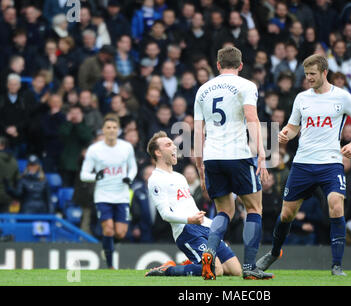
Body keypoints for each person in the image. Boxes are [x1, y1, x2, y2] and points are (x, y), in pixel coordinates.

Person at [256, 54, 351, 276]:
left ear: (324, 73)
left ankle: (337, 265)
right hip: (303, 164)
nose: (308, 78)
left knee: (336, 204)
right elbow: (293, 126)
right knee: (287, 214)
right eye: (307, 74)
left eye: (312, 74)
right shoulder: (301, 98)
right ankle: (274, 252)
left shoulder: (343, 97)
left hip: (331, 163)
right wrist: (285, 134)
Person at [193, 46, 270, 280]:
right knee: (254, 208)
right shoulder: (246, 86)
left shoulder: (203, 90)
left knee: (224, 210)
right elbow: (251, 118)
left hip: (212, 157)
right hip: (237, 154)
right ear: (240, 65)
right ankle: (249, 268)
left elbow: (197, 131)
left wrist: (200, 166)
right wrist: (261, 153)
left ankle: (209, 253)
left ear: (217, 65)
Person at [145, 131, 242, 278]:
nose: (174, 147)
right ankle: (168, 270)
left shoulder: (180, 177)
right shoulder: (156, 179)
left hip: (203, 225)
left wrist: (209, 223)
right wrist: (190, 220)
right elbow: (165, 215)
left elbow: (189, 206)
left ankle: (191, 265)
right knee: (216, 270)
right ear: (158, 152)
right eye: (168, 145)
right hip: (186, 230)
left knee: (236, 271)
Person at [80, 114, 137, 269]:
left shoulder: (126, 147)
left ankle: (109, 245)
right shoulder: (94, 150)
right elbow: (84, 174)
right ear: (103, 130)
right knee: (109, 228)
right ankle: (110, 265)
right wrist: (95, 176)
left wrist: (129, 177)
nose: (111, 130)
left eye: (114, 128)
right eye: (108, 128)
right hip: (103, 195)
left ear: (118, 130)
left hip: (122, 195)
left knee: (120, 233)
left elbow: (133, 167)